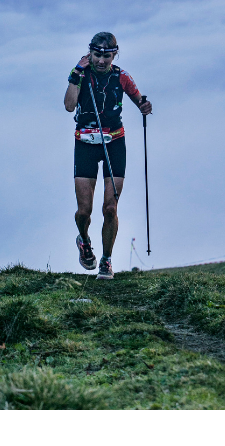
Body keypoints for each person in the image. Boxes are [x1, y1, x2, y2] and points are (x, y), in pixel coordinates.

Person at [64, 32, 152, 279]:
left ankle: (106, 260)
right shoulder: (80, 74)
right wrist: (76, 74)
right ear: (89, 54)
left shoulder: (121, 77)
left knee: (110, 208)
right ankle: (84, 241)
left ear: (114, 55)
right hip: (85, 143)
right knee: (84, 212)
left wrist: (145, 107)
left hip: (114, 142)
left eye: (107, 56)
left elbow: (139, 101)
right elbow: (69, 105)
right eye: (97, 55)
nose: (101, 61)